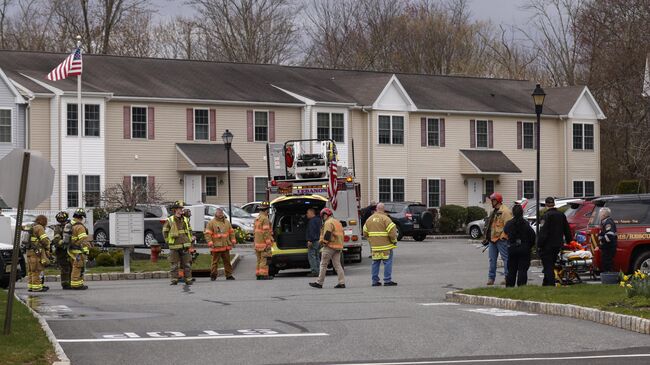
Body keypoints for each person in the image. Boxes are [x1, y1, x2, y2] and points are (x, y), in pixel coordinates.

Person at [537, 196, 572, 286]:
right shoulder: (561, 215)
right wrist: (569, 242)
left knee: (548, 266)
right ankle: (545, 283)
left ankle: (551, 284)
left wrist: (539, 244)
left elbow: (543, 232)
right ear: (554, 204)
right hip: (557, 245)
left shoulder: (546, 216)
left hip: (547, 245)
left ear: (546, 205)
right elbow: (567, 230)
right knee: (551, 264)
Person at [363, 202, 398, 286]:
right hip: (386, 247)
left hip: (375, 247)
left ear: (376, 209)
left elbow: (365, 233)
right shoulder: (386, 219)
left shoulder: (369, 219)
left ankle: (375, 281)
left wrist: (371, 240)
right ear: (383, 209)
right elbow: (392, 233)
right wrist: (394, 241)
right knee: (387, 263)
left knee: (375, 263)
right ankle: (387, 280)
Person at [309, 208, 346, 289]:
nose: (322, 218)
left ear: (325, 215)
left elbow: (327, 234)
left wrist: (324, 243)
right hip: (338, 246)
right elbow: (342, 233)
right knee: (337, 265)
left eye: (323, 216)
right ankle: (342, 282)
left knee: (323, 264)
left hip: (330, 246)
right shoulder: (337, 222)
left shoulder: (328, 222)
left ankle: (319, 283)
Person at [503, 204, 536, 287]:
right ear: (522, 212)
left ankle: (510, 287)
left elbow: (505, 232)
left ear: (513, 213)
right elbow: (532, 236)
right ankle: (521, 287)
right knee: (522, 270)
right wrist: (529, 246)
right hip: (524, 249)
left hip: (512, 248)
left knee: (511, 270)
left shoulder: (509, 224)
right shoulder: (526, 224)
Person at [163, 201, 193, 285]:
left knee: (187, 264)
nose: (181, 210)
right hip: (174, 246)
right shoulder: (170, 220)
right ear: (175, 210)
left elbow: (189, 230)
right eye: (180, 208)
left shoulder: (185, 219)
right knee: (174, 265)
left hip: (185, 245)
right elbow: (165, 231)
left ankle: (188, 279)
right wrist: (167, 241)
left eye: (182, 208)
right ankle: (174, 280)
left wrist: (190, 239)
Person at [484, 192, 512, 285]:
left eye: (492, 200)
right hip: (492, 240)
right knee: (492, 259)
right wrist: (487, 238)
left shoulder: (506, 211)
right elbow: (490, 226)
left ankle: (508, 277)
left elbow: (508, 226)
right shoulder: (493, 211)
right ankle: (491, 278)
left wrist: (503, 237)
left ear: (497, 201)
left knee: (505, 259)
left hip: (501, 240)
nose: (491, 202)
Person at [204, 207, 236, 281]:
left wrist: (233, 241)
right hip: (216, 246)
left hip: (225, 246)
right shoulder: (211, 222)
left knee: (227, 261)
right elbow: (207, 234)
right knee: (215, 262)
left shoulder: (227, 222)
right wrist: (210, 242)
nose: (220, 214)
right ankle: (213, 275)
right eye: (219, 213)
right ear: (216, 213)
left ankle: (229, 275)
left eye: (221, 213)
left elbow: (231, 232)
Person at [69, 208, 92, 290]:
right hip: (78, 251)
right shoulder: (79, 227)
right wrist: (87, 248)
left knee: (75, 267)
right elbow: (83, 239)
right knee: (78, 267)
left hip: (71, 250)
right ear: (81, 217)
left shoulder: (69, 225)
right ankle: (76, 284)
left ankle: (79, 283)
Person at [26, 215, 51, 292]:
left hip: (29, 252)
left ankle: (31, 286)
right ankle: (37, 287)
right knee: (37, 270)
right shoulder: (39, 228)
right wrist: (48, 245)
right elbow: (44, 240)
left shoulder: (32, 226)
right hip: (36, 253)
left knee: (31, 270)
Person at [52, 211, 73, 289]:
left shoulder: (69, 226)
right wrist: (61, 243)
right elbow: (56, 239)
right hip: (62, 250)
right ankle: (65, 284)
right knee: (65, 267)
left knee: (69, 266)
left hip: (68, 249)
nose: (61, 220)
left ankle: (69, 282)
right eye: (59, 218)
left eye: (62, 218)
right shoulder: (58, 227)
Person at [254, 202, 274, 280]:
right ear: (266, 211)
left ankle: (258, 274)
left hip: (257, 243)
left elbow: (255, 232)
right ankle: (263, 275)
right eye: (268, 210)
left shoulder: (257, 218)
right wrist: (268, 242)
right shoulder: (265, 219)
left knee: (259, 260)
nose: (268, 212)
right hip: (263, 244)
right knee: (264, 260)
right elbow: (266, 232)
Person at [597, 207, 617, 272]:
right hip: (606, 247)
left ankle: (609, 277)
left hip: (608, 247)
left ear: (604, 215)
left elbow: (609, 235)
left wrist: (601, 240)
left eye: (600, 213)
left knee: (607, 263)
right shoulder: (604, 222)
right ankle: (607, 276)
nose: (599, 215)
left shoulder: (608, 223)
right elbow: (602, 233)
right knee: (605, 262)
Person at [305, 208, 322, 277]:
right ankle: (319, 271)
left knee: (312, 256)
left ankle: (314, 271)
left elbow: (311, 231)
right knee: (317, 256)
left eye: (308, 213)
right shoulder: (319, 220)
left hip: (313, 241)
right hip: (318, 240)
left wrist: (309, 240)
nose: (307, 214)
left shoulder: (312, 221)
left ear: (312, 213)